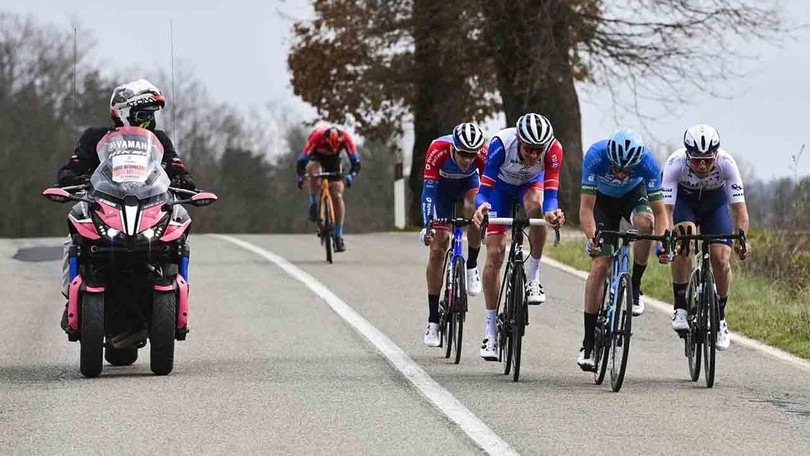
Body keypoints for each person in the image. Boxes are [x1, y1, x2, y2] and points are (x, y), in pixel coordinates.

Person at [56, 79, 196, 333]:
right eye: (144, 115)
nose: (150, 121)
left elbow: (176, 166)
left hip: (149, 207)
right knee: (74, 229)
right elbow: (73, 165)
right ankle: (70, 302)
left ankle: (176, 295)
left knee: (180, 220)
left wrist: (184, 179)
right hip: (105, 205)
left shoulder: (159, 140)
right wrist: (70, 176)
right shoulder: (95, 138)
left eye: (152, 115)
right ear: (122, 112)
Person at [471, 113, 565, 360]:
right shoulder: (501, 145)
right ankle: (490, 331)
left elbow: (551, 194)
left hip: (530, 186)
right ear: (519, 140)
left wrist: (552, 213)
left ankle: (533, 276)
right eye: (529, 149)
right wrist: (481, 206)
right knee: (495, 254)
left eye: (538, 151)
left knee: (536, 206)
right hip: (500, 190)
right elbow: (484, 191)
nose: (534, 155)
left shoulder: (553, 149)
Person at [577, 129, 671, 371]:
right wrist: (592, 238)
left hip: (632, 196)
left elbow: (660, 213)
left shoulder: (648, 163)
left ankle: (636, 286)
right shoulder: (596, 156)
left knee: (645, 223)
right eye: (616, 168)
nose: (619, 174)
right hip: (602, 203)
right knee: (600, 265)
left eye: (626, 170)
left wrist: (663, 244)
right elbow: (586, 209)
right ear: (610, 157)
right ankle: (588, 343)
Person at [661, 124, 751, 350]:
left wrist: (742, 240)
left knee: (721, 259)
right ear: (687, 155)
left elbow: (740, 211)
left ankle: (720, 318)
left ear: (716, 155)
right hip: (685, 203)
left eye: (708, 160)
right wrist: (669, 240)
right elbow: (666, 212)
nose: (702, 165)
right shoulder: (674, 164)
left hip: (714, 204)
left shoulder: (727, 165)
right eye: (696, 160)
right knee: (685, 241)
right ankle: (680, 307)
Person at [419, 122, 488, 347]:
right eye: (463, 154)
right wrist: (428, 225)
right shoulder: (437, 149)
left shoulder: (483, 154)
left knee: (473, 209)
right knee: (439, 247)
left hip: (468, 186)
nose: (468, 159)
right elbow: (428, 192)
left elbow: (489, 188)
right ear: (453, 148)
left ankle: (471, 265)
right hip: (441, 191)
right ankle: (433, 321)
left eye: (472, 155)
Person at [296, 125, 361, 253]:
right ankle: (313, 202)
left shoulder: (346, 138)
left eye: (335, 146)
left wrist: (350, 177)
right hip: (317, 158)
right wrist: (301, 177)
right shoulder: (316, 137)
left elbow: (356, 163)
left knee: (337, 195)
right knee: (315, 171)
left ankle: (338, 235)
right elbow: (302, 162)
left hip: (334, 161)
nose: (332, 148)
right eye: (329, 146)